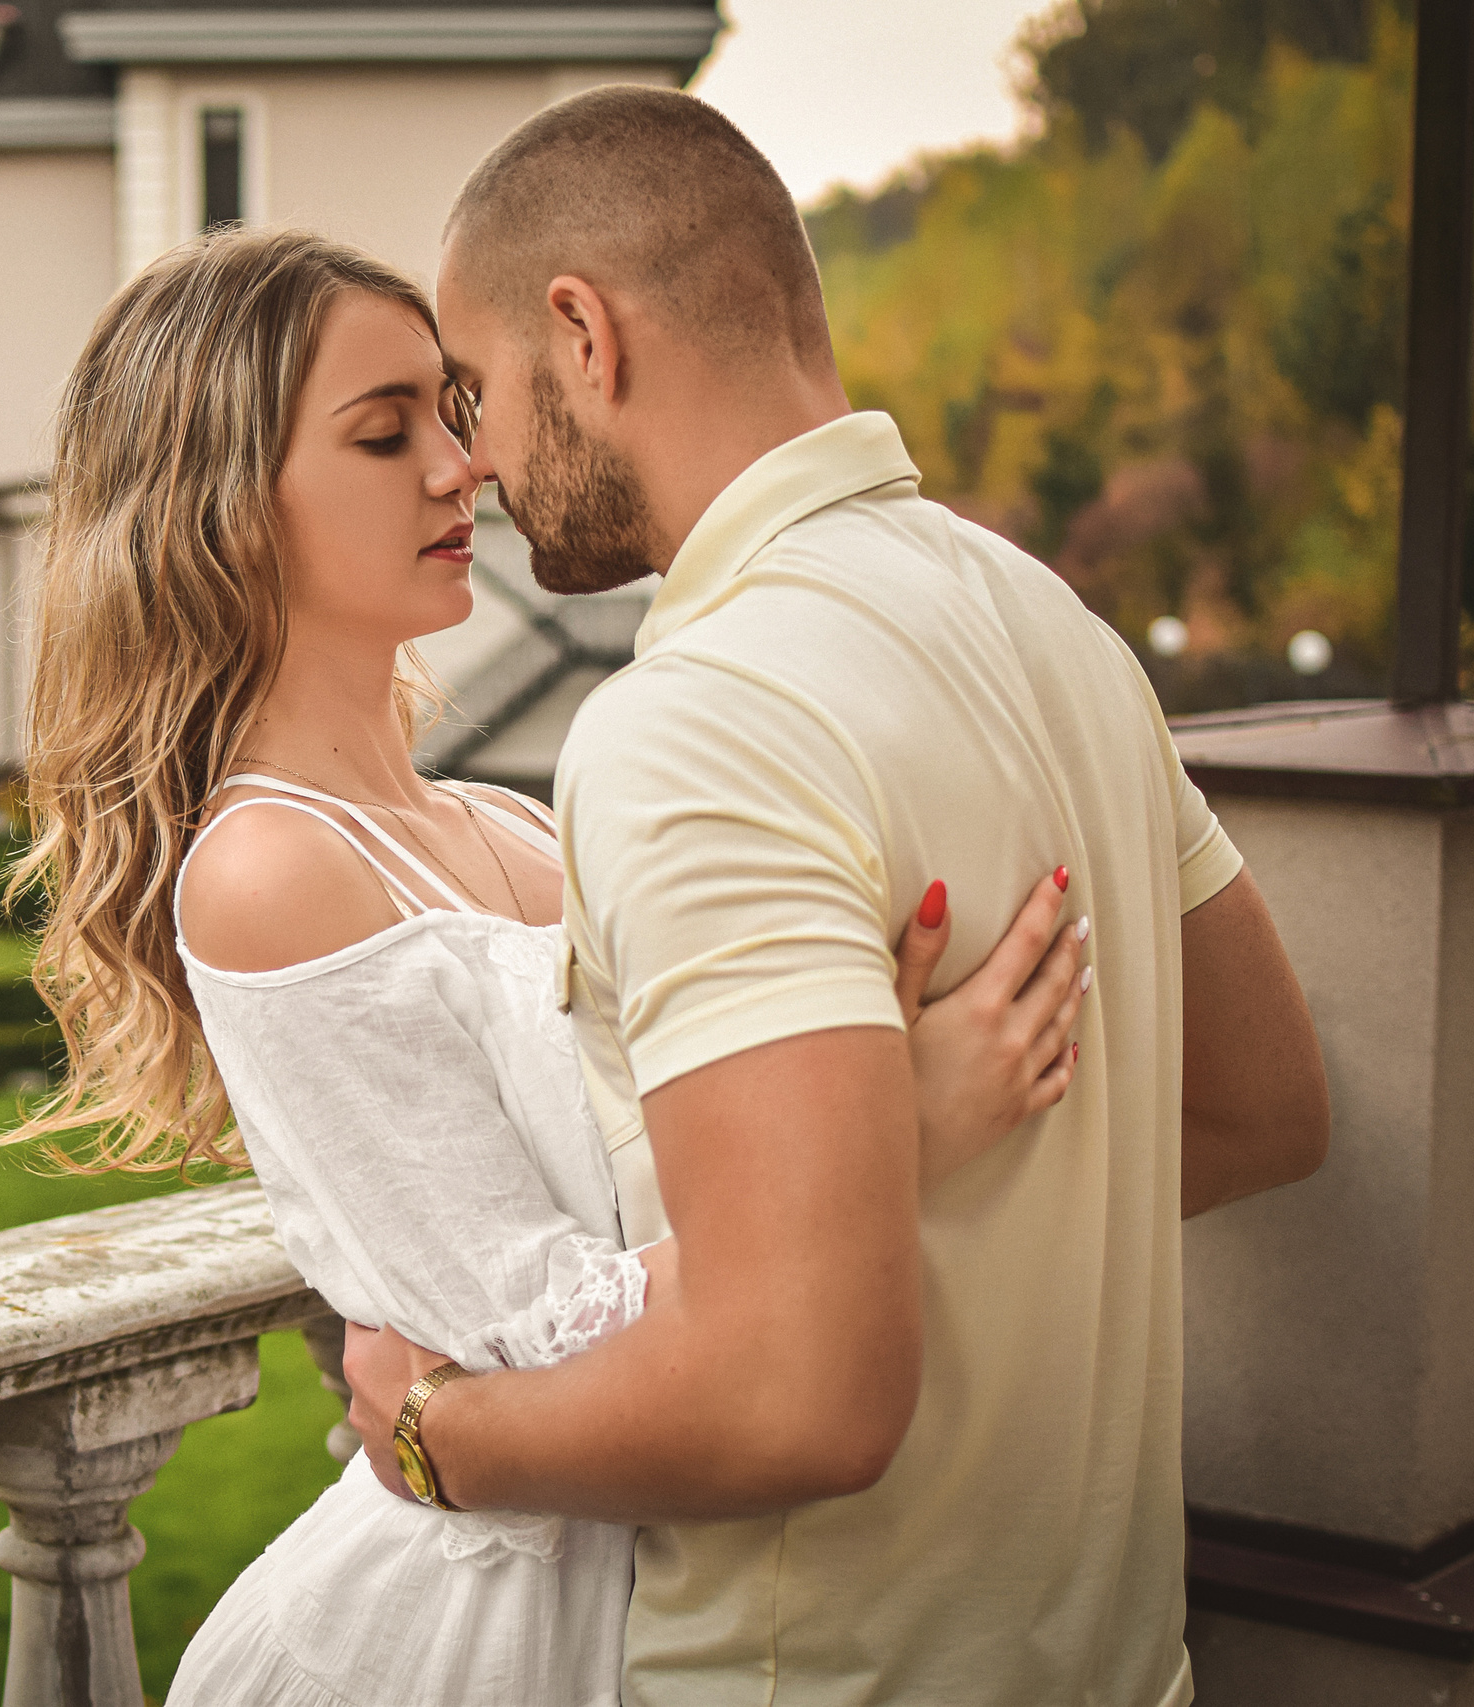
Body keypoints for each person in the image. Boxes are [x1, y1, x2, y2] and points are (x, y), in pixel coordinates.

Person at [4, 224, 1093, 1706]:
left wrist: (834, 1081)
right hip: (471, 1643)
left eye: (453, 415)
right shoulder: (266, 875)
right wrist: (903, 1121)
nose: (464, 469)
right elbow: (537, 1339)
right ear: (220, 509)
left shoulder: (517, 819)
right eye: (386, 434)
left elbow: (703, 1147)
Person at [340, 86, 1331, 1705]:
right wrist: (882, 1188)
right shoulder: (1049, 620)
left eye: (475, 392)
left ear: (583, 335)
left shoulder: (700, 721)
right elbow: (1261, 1109)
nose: (476, 461)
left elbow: (803, 1399)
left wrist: (443, 1438)